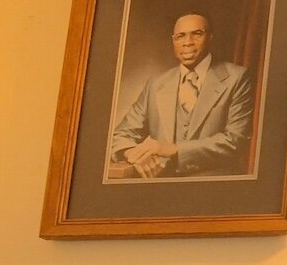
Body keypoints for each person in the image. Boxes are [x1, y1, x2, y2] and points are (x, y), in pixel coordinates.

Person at [108, 12, 256, 179]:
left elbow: (236, 140)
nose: (187, 42)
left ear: (210, 38)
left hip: (216, 188)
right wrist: (132, 154)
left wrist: (174, 149)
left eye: (197, 34)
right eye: (180, 36)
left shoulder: (237, 77)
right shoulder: (156, 84)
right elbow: (121, 135)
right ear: (174, 41)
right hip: (162, 189)